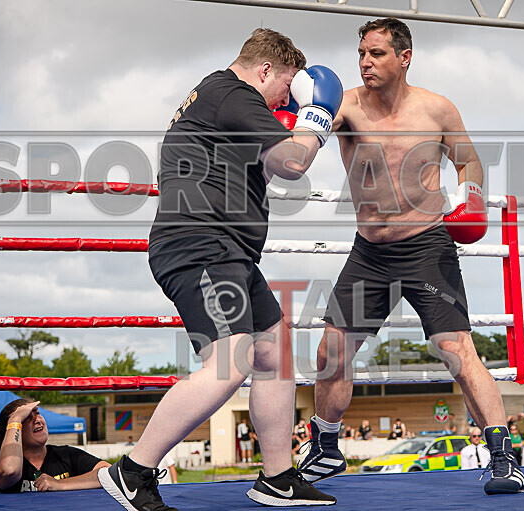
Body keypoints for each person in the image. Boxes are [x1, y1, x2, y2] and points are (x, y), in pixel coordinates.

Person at [98, 28, 342, 510]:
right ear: (267, 70)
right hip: (200, 245)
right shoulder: (233, 94)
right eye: (284, 88)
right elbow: (294, 164)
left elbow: (269, 166)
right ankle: (134, 470)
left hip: (228, 249)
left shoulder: (217, 100)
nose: (282, 101)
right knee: (232, 361)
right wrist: (315, 118)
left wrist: (292, 127)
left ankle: (276, 477)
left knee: (275, 347)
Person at [297, 17, 524, 496]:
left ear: (404, 57)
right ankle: (325, 447)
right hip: (370, 252)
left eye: (376, 54)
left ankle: (503, 457)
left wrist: (472, 196)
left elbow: (468, 159)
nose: (365, 63)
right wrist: (300, 119)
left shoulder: (437, 108)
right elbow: (315, 132)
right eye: (361, 53)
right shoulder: (347, 105)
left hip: (427, 246)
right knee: (330, 353)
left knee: (457, 352)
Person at [0, 398, 110, 493]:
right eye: (27, 417)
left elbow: (109, 474)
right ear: (13, 430)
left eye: (37, 413)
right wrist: (15, 419)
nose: (37, 419)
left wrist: (60, 484)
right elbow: (10, 471)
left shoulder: (66, 455)